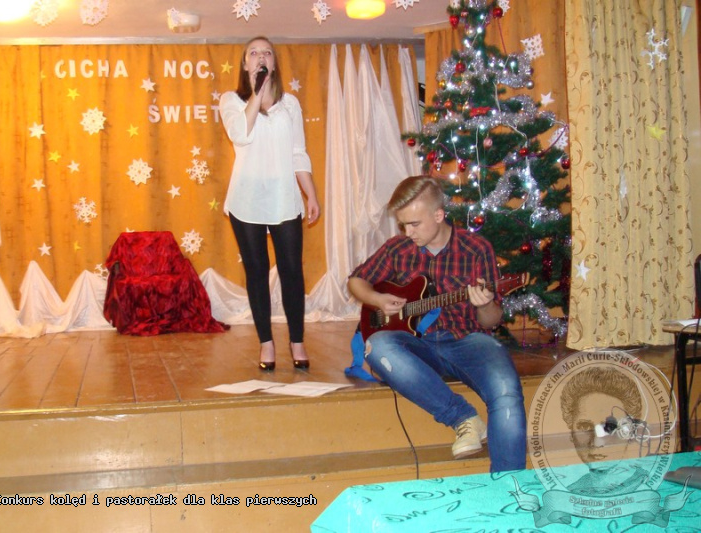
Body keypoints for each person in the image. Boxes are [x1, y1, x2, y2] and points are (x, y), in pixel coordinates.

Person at [347, 175, 526, 473]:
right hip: (417, 345)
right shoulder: (398, 248)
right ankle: (462, 418)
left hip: (468, 340)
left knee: (506, 390)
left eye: (414, 224)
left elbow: (492, 320)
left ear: (439, 215)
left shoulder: (475, 248)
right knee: (377, 346)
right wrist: (377, 300)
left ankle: (510, 485)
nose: (408, 232)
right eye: (403, 225)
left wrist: (484, 304)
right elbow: (356, 281)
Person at [220, 36, 320, 371]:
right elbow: (240, 134)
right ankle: (266, 342)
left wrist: (310, 193)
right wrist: (256, 92)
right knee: (257, 271)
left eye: (267, 53)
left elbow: (298, 152)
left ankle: (297, 340)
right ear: (245, 63)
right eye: (254, 53)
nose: (261, 57)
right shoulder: (231, 100)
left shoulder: (290, 104)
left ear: (274, 62)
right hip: (246, 199)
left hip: (283, 197)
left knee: (292, 270)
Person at [560, 366, 650, 495]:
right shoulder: (571, 491)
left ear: (630, 432)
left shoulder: (646, 486)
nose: (597, 442)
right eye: (585, 427)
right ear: (571, 434)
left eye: (609, 427)